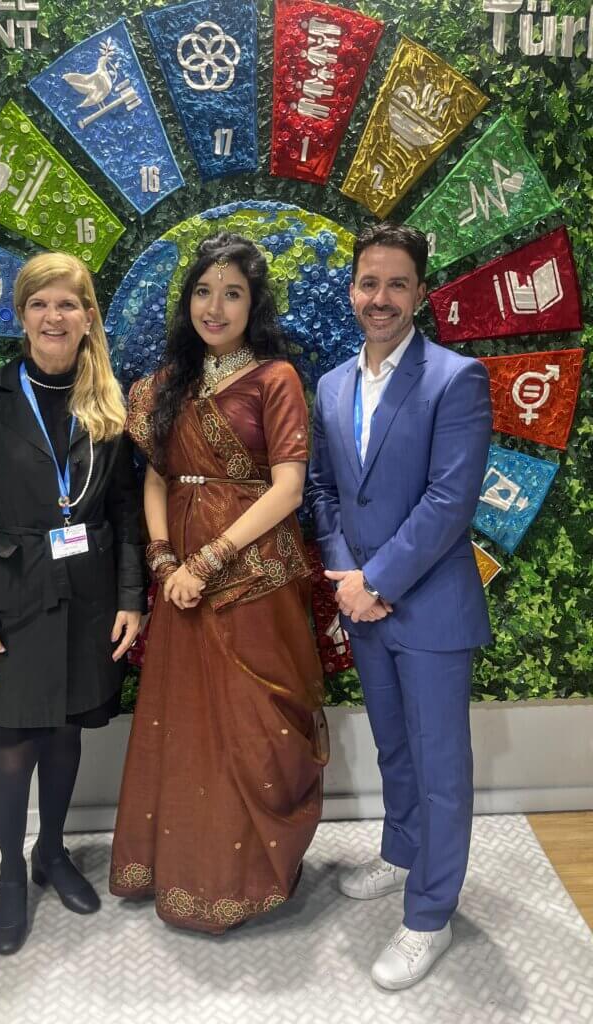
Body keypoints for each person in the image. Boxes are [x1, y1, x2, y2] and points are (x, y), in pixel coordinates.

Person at [109, 233, 329, 933]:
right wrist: (165, 559)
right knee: (188, 726)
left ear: (253, 303)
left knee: (254, 728)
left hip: (251, 579)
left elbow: (289, 488)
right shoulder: (165, 384)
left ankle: (249, 877)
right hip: (178, 581)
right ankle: (183, 873)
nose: (216, 305)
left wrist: (209, 562)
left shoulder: (275, 379)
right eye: (204, 290)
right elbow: (156, 478)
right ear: (188, 301)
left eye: (232, 292)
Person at [0, 252, 146, 955]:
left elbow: (123, 513)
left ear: (89, 318)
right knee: (8, 750)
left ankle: (52, 852)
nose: (54, 317)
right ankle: (8, 873)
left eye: (69, 304)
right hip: (7, 604)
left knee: (63, 739)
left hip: (86, 600)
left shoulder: (109, 407)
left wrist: (128, 598)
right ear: (20, 314)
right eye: (40, 304)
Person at [308, 222, 492, 989]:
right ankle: (401, 852)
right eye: (368, 283)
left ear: (420, 292)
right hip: (363, 603)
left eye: (396, 284)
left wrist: (375, 583)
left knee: (442, 765)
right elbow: (323, 492)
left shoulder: (457, 378)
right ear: (352, 290)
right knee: (394, 748)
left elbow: (450, 501)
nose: (379, 299)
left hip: (430, 607)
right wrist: (349, 577)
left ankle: (430, 915)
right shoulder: (330, 384)